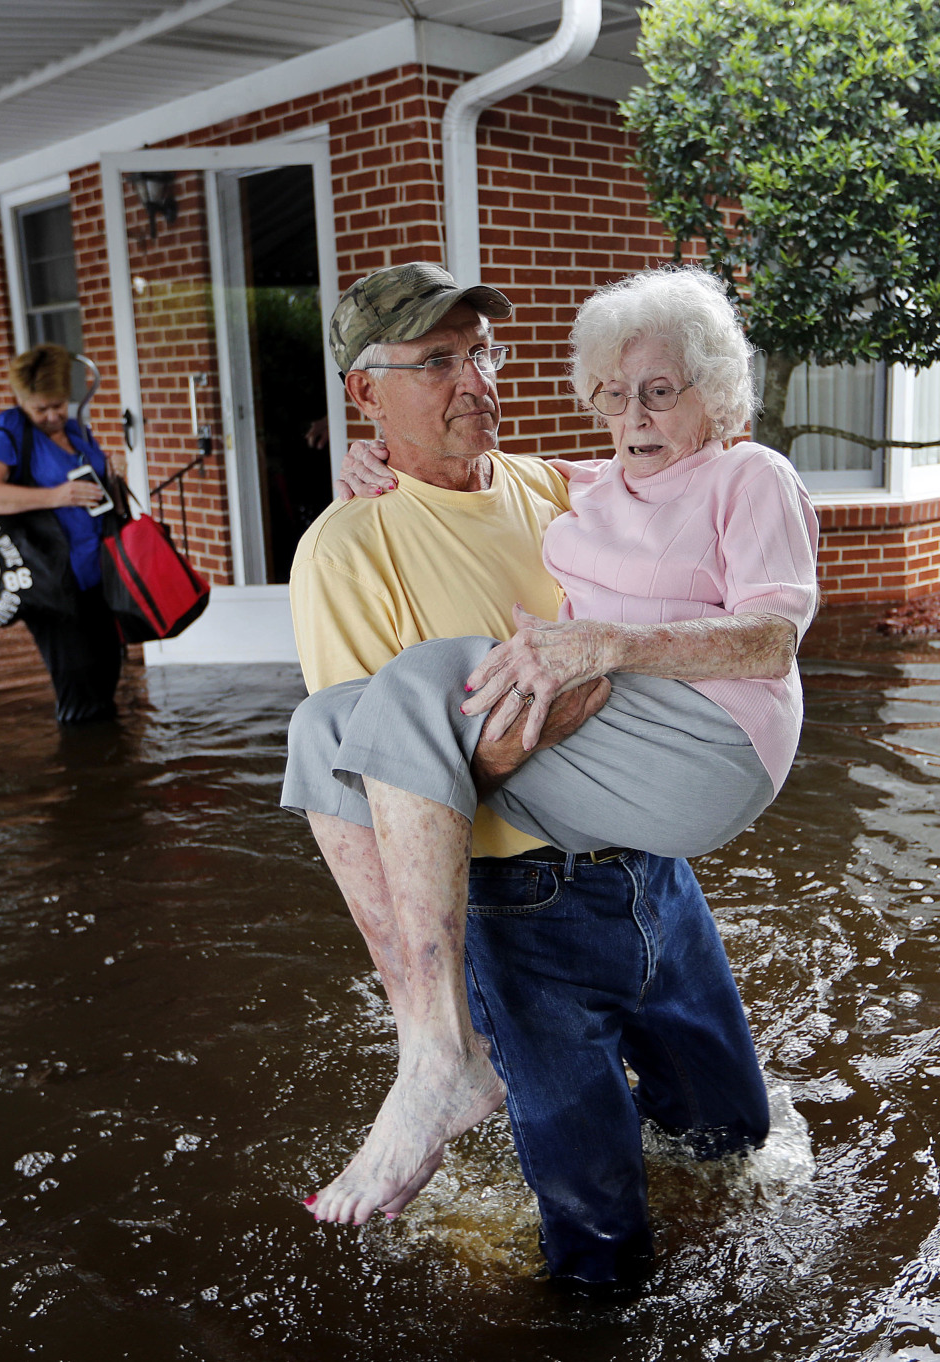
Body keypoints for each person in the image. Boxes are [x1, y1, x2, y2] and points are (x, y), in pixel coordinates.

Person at [282, 263, 818, 1291]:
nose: (473, 378)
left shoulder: (544, 482)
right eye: (436, 360)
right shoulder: (346, 548)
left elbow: (674, 489)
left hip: (651, 868)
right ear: (364, 393)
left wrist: (603, 663)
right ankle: (437, 1055)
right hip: (526, 907)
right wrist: (541, 715)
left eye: (480, 352)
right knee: (598, 1232)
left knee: (731, 1139)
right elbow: (382, 775)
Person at [0, 343, 124, 724]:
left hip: (96, 576)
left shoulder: (75, 430)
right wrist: (55, 496)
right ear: (21, 401)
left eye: (59, 405)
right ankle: (82, 770)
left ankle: (105, 766)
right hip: (52, 583)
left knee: (106, 674)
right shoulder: (10, 433)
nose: (52, 415)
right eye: (42, 409)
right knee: (78, 688)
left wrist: (112, 480)